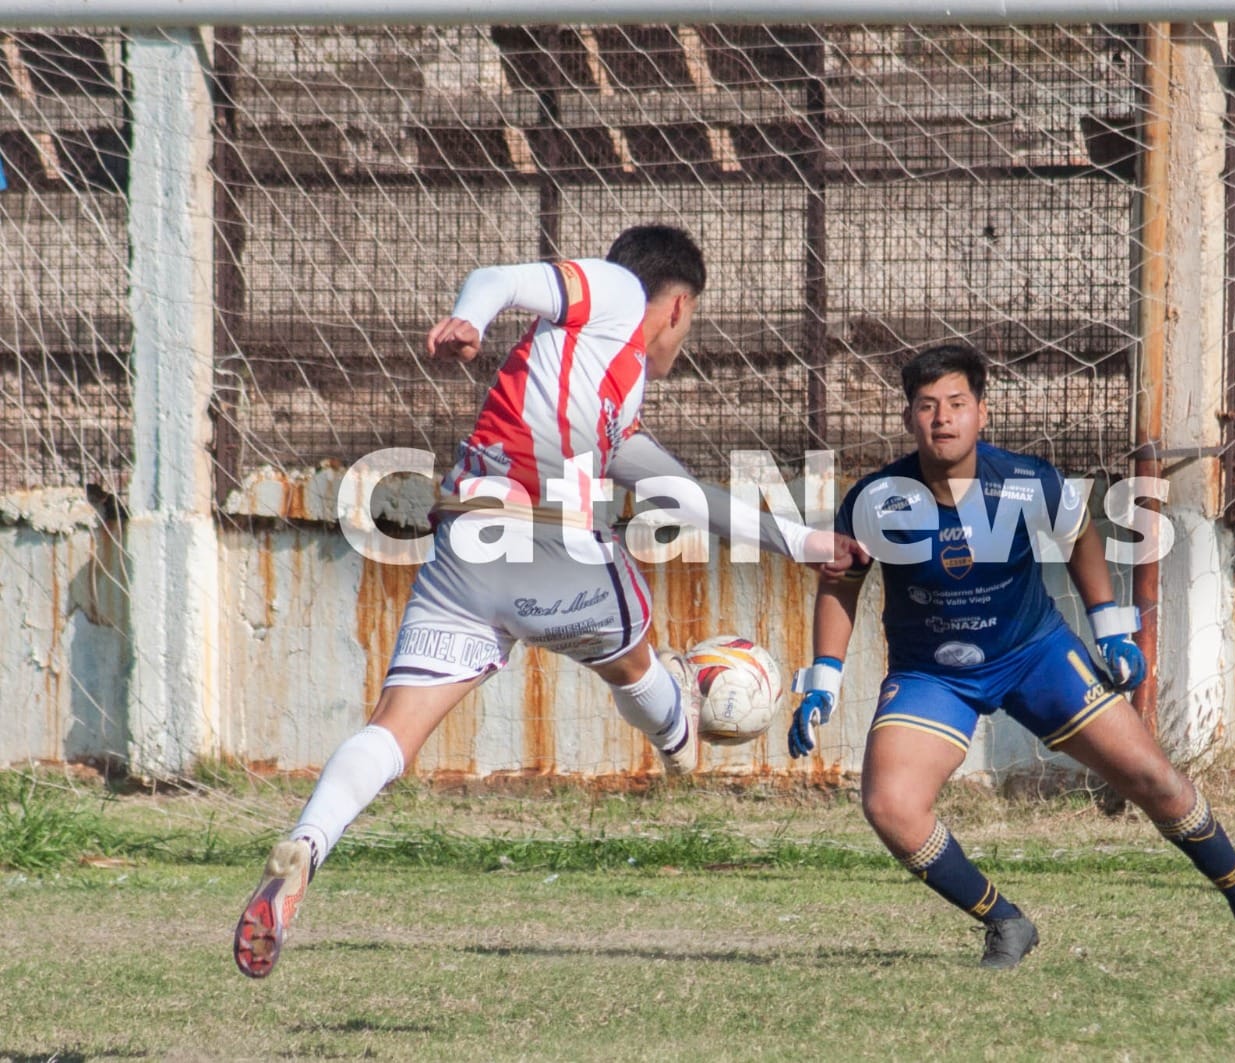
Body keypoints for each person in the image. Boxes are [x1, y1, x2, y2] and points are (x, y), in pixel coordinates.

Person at [234, 224, 866, 979]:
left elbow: (678, 491)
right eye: (689, 320)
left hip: (464, 545)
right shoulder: (620, 292)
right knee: (632, 646)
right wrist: (470, 317)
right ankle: (678, 721)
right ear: (679, 307)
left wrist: (799, 541)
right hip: (546, 539)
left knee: (393, 730)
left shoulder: (603, 384)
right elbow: (500, 276)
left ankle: (307, 842)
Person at [786, 342, 1235, 969]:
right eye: (927, 406)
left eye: (957, 403)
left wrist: (1111, 628)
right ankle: (1006, 922)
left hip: (1034, 655)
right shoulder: (876, 497)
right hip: (933, 674)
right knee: (890, 806)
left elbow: (1078, 536)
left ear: (982, 412)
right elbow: (841, 584)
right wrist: (823, 679)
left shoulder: (1027, 481)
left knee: (1153, 778)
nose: (943, 418)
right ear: (908, 417)